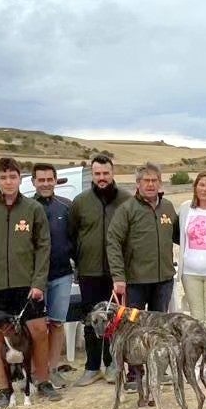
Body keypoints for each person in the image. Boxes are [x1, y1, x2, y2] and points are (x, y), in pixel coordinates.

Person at [0, 157, 61, 409]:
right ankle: (4, 389)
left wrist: (38, 282)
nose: (8, 182)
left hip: (27, 283)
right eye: (3, 177)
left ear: (21, 179)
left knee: (38, 331)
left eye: (12, 177)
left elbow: (43, 246)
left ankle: (43, 380)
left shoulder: (32, 209)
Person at [69, 154, 130, 386]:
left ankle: (114, 364)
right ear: (92, 175)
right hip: (89, 272)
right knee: (90, 321)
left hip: (118, 274)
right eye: (97, 174)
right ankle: (92, 366)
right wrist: (82, 258)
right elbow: (72, 235)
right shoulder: (80, 201)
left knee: (116, 321)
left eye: (105, 173)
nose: (102, 178)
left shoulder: (126, 199)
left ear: (112, 173)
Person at [108, 162, 179, 312]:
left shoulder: (168, 207)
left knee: (159, 327)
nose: (150, 185)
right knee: (134, 327)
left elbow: (180, 236)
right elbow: (113, 242)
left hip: (163, 281)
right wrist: (118, 277)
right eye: (146, 181)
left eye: (154, 180)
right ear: (138, 183)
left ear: (160, 183)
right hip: (136, 282)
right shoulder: (127, 209)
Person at [32, 163, 74, 388]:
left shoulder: (66, 207)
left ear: (56, 181)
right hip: (34, 278)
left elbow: (74, 239)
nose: (46, 183)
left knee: (57, 323)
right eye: (41, 180)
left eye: (50, 179)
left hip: (62, 275)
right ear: (34, 182)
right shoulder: (27, 207)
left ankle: (53, 368)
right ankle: (35, 372)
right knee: (36, 326)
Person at [178, 171, 206, 381]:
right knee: (196, 319)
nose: (204, 189)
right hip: (190, 272)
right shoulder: (186, 208)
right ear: (196, 187)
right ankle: (195, 364)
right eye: (201, 185)